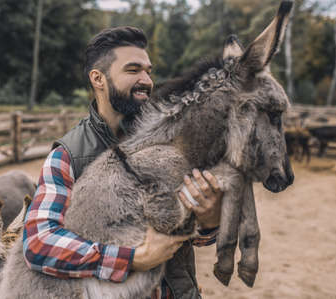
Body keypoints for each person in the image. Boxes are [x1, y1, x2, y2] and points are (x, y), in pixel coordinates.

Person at [23, 26, 223, 299]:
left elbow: (192, 238)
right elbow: (39, 243)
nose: (146, 80)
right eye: (133, 70)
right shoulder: (68, 155)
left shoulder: (167, 143)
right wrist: (131, 259)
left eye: (148, 71)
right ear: (98, 79)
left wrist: (210, 219)